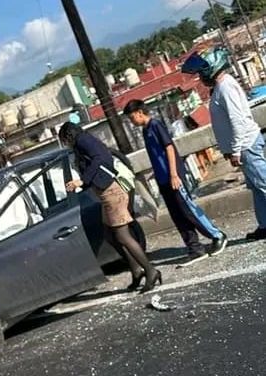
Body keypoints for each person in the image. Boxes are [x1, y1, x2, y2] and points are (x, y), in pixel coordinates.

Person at [59, 122, 162, 293]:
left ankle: (150, 270)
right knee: (110, 235)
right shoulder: (81, 143)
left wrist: (83, 180)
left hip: (112, 193)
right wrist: (82, 183)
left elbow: (102, 157)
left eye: (63, 140)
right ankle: (136, 270)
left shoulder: (83, 140)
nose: (65, 144)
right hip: (106, 194)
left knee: (122, 236)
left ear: (68, 136)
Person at [124, 99, 228, 265]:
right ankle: (194, 248)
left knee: (188, 210)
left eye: (131, 118)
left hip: (173, 177)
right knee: (177, 215)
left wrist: (173, 174)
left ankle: (217, 235)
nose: (131, 122)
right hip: (162, 179)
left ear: (139, 113)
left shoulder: (156, 125)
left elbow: (169, 148)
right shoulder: (145, 131)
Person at [182, 46, 266, 241]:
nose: (201, 76)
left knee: (263, 184)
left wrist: (235, 150)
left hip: (246, 145)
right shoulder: (221, 86)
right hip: (243, 145)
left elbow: (237, 120)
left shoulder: (225, 86)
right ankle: (264, 225)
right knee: (256, 188)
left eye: (202, 71)